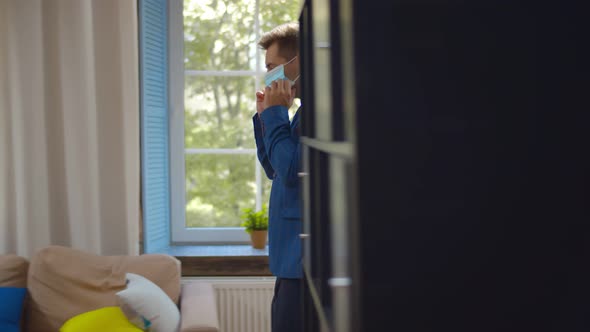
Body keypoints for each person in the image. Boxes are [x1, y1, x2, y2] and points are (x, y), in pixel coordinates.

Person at [252, 22, 303, 332]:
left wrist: (275, 116)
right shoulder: (297, 113)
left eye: (272, 67)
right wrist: (264, 119)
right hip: (289, 261)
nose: (269, 75)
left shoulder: (316, 115)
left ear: (296, 64)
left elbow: (291, 169)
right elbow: (274, 170)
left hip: (301, 262)